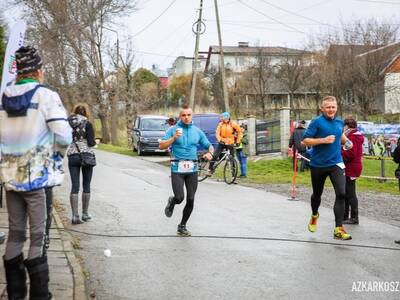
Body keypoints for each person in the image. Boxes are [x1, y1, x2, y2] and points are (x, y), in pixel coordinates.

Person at [1, 46, 72, 299]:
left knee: (16, 235)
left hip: (11, 178)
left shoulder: (3, 97)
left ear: (18, 71)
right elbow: (63, 135)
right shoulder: (45, 96)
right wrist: (56, 156)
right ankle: (41, 295)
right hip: (37, 178)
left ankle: (15, 296)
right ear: (39, 71)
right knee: (38, 238)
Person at [302, 96, 353, 241]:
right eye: (328, 107)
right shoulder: (316, 122)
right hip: (318, 165)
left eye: (333, 107)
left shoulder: (339, 121)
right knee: (317, 194)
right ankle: (314, 214)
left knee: (342, 193)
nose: (331, 109)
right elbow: (305, 141)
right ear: (322, 109)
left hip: (336, 163)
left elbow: (339, 135)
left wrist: (347, 141)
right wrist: (323, 140)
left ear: (336, 108)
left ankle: (338, 228)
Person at [159, 105, 214, 236]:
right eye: (183, 115)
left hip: (192, 169)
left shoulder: (197, 131)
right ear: (180, 116)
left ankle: (182, 226)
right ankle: (172, 201)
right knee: (179, 197)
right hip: (177, 169)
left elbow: (209, 146)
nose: (186, 117)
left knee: (190, 198)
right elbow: (161, 145)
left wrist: (210, 154)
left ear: (192, 116)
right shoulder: (173, 130)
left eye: (188, 115)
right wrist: (173, 139)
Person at [67, 104, 96, 224]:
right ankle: (85, 214)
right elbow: (91, 143)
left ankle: (75, 216)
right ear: (86, 112)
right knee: (86, 185)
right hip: (86, 156)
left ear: (75, 112)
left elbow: (65, 139)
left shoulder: (68, 124)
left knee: (75, 186)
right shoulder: (88, 124)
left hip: (73, 155)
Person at [342, 117, 364, 225]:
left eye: (344, 126)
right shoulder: (351, 135)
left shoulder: (353, 137)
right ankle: (345, 216)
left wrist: (339, 153)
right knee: (346, 192)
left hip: (352, 167)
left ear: (347, 126)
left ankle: (355, 217)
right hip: (350, 166)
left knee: (350, 193)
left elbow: (351, 153)